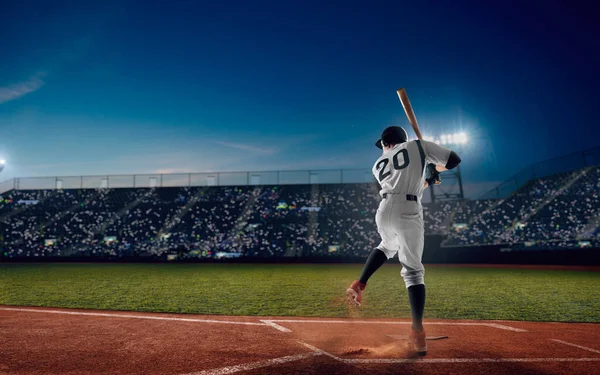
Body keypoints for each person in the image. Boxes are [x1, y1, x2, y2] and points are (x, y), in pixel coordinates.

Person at [346, 126, 461, 355]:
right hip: (408, 210)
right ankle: (417, 333)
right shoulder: (418, 145)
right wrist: (435, 168)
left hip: (384, 209)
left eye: (383, 145)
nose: (383, 149)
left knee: (387, 246)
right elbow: (454, 160)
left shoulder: (378, 164)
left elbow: (405, 182)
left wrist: (428, 177)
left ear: (388, 143)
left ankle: (359, 283)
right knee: (413, 272)